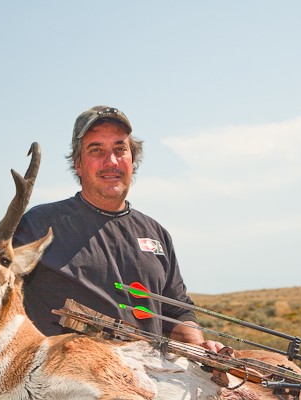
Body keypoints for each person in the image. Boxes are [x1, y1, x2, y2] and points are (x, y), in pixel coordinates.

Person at [13, 105, 223, 352]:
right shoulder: (38, 224)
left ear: (133, 160)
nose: (110, 161)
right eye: (96, 150)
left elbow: (177, 310)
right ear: (78, 164)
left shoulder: (157, 234)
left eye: (120, 149)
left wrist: (201, 347)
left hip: (146, 382)